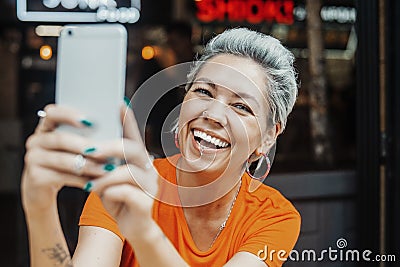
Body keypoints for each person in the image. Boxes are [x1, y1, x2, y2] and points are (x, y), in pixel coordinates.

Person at [21, 28, 300, 267]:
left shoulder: (273, 215)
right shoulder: (124, 184)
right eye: (203, 92)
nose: (213, 115)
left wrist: (143, 231)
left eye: (241, 106)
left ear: (267, 137)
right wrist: (39, 206)